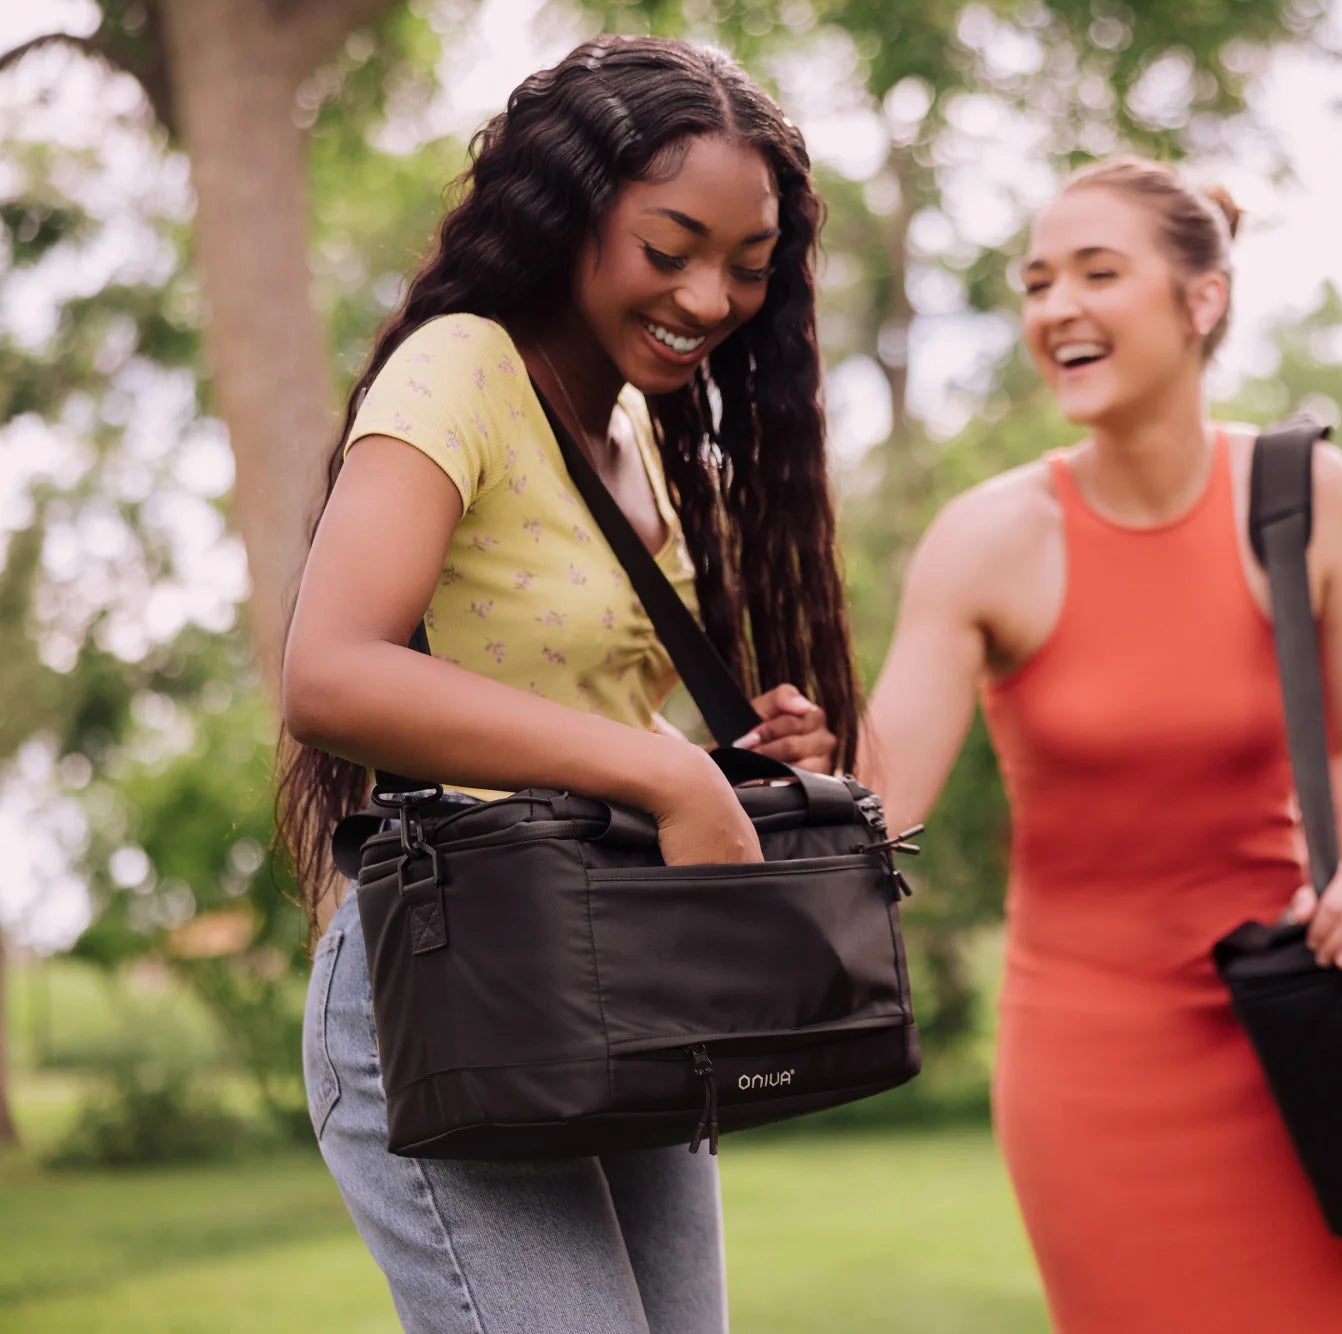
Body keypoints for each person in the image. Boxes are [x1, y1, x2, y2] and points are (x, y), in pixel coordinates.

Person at [277, 37, 847, 1333]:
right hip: (457, 974)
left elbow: (567, 705)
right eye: (670, 247)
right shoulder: (461, 366)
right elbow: (331, 671)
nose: (709, 296)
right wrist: (664, 773)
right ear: (565, 214)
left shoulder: (632, 430)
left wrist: (737, 764)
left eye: (748, 264)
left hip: (615, 956)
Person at [862, 158, 1342, 1332]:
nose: (1054, 307)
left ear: (1200, 299)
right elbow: (877, 803)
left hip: (1292, 1033)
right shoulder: (985, 539)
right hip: (1087, 1054)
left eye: (1096, 274)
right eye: (1035, 283)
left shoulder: (1303, 494)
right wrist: (791, 757)